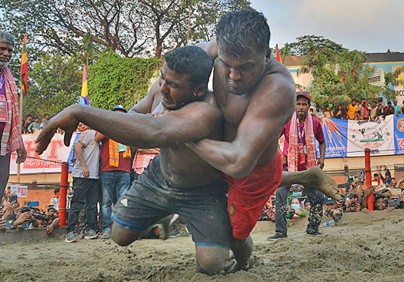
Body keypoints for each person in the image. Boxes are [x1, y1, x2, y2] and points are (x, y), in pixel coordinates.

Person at [36, 46, 233, 275]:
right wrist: (150, 117)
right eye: (162, 78)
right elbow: (134, 113)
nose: (163, 89)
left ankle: (236, 240)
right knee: (119, 235)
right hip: (159, 177)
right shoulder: (161, 89)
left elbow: (152, 134)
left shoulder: (206, 111)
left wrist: (80, 111)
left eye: (174, 86)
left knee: (212, 264)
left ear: (198, 90)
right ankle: (164, 214)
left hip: (201, 192)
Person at [188, 9, 340, 272]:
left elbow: (239, 163)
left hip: (253, 168)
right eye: (227, 65)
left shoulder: (279, 88)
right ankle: (306, 176)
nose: (233, 76)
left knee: (236, 237)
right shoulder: (216, 50)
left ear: (266, 57)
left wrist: (186, 137)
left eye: (245, 67)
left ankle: (246, 261)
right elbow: (177, 70)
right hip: (222, 155)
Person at [0, 30, 27, 264]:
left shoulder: (9, 77)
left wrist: (17, 142)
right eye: (2, 48)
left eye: (10, 50)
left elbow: (13, 113)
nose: (6, 53)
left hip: (1, 143)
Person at [268, 91, 327, 240]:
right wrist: (280, 154)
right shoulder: (287, 121)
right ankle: (281, 231)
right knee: (281, 194)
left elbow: (322, 141)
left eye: (304, 104)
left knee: (318, 197)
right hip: (289, 167)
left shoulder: (314, 122)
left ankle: (313, 228)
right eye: (298, 104)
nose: (301, 107)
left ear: (308, 106)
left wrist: (321, 158)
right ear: (294, 106)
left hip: (308, 168)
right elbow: (274, 137)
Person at [95, 105, 132, 239]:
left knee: (123, 201)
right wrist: (111, 126)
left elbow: (134, 144)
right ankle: (106, 228)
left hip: (124, 170)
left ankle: (121, 227)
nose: (119, 116)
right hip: (107, 170)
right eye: (116, 114)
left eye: (121, 114)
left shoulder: (127, 130)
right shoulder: (106, 128)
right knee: (106, 202)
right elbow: (97, 138)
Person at [64, 123, 100, 243]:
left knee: (92, 204)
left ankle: (89, 229)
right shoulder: (88, 133)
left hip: (93, 175)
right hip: (82, 174)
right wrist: (84, 166)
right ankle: (70, 231)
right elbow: (78, 147)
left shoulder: (93, 135)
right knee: (77, 202)